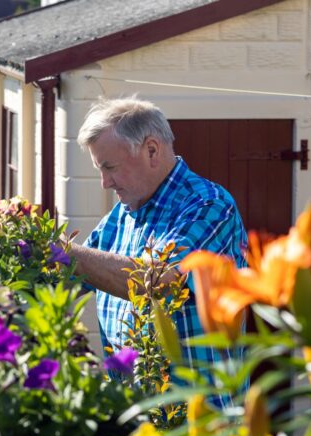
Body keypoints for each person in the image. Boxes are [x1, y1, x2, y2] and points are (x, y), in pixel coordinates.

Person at [68, 97, 248, 408]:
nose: (105, 182)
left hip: (202, 421)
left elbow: (158, 279)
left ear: (152, 150)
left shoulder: (208, 204)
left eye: (109, 167)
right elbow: (73, 274)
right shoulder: (122, 214)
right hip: (138, 415)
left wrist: (60, 252)